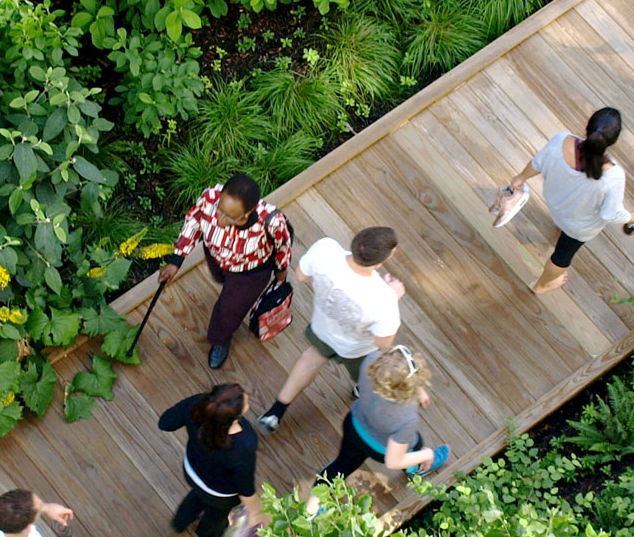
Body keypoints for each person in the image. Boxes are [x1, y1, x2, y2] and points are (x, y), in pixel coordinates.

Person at [257, 226, 403, 433]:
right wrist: (393, 296)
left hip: (322, 328)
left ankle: (275, 413)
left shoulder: (325, 249)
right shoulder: (383, 298)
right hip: (358, 349)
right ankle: (362, 391)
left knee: (309, 361)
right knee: (367, 377)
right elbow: (383, 344)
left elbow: (301, 276)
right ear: (379, 263)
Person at [492, 107, 634, 293]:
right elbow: (610, 214)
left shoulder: (561, 140)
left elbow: (537, 163)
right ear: (615, 141)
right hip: (578, 227)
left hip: (556, 205)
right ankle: (542, 285)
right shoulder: (613, 176)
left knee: (563, 236)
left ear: (588, 127)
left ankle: (544, 281)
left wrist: (520, 178)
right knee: (562, 256)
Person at [157, 172, 295, 369]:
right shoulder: (210, 197)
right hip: (216, 258)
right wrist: (176, 260)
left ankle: (220, 339)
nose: (219, 218)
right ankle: (229, 291)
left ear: (247, 213)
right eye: (220, 210)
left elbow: (282, 245)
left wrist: (281, 271)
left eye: (229, 216)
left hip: (250, 273)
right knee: (222, 282)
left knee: (228, 309)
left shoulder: (270, 221)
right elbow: (194, 222)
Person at [317, 346, 449, 484]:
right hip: (380, 449)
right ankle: (416, 468)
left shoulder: (371, 360)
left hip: (354, 426)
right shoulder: (407, 418)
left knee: (342, 465)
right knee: (416, 444)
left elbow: (389, 374)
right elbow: (393, 462)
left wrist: (418, 389)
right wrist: (428, 455)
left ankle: (315, 500)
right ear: (409, 388)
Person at [158, 383, 264, 537]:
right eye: (244, 402)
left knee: (197, 496)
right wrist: (255, 512)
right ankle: (208, 533)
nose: (246, 399)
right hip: (220, 494)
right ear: (234, 417)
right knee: (216, 516)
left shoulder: (196, 405)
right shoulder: (245, 443)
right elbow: (245, 485)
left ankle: (180, 522)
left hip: (193, 471)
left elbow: (165, 423)